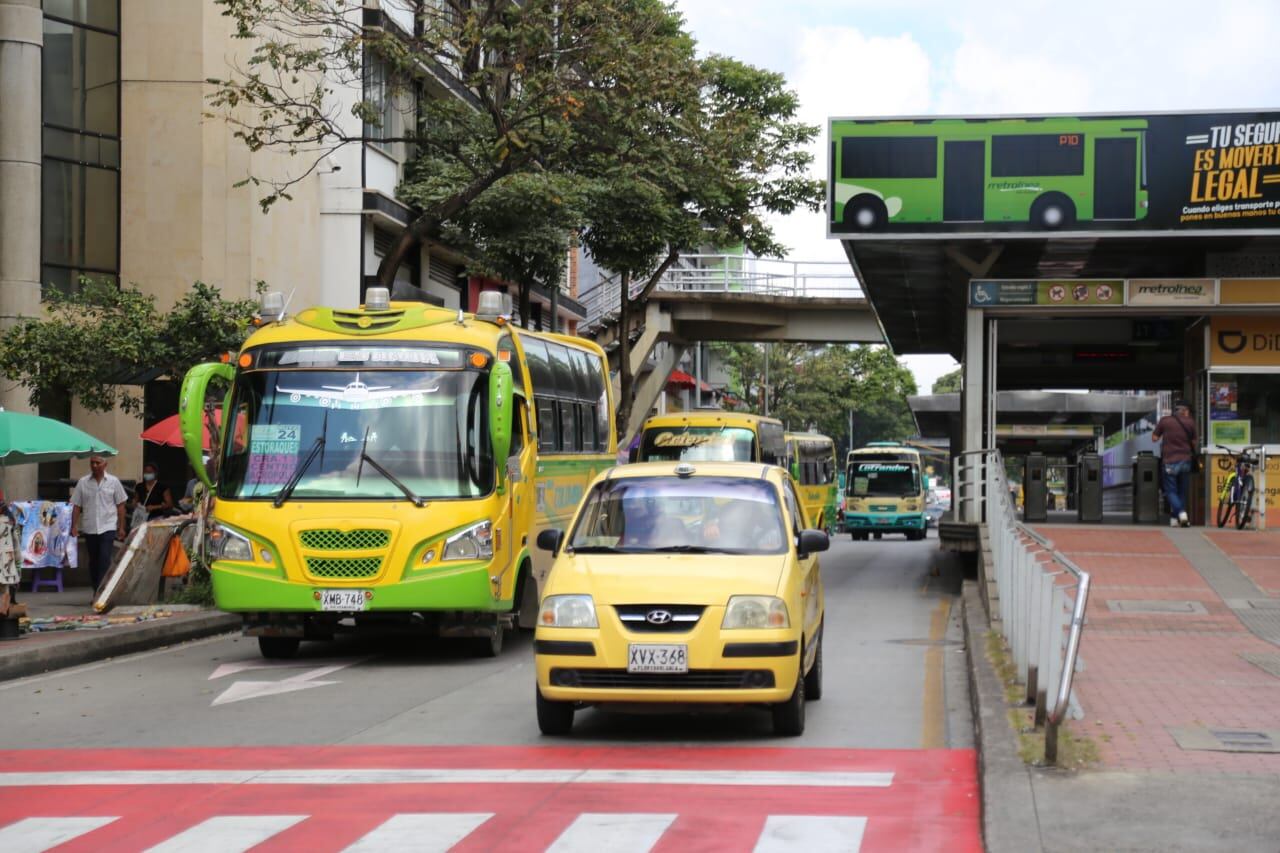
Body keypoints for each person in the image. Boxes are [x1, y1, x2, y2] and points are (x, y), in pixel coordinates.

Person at [70, 455, 128, 591]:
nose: (94, 465)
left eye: (98, 463)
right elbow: (77, 506)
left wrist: (121, 527)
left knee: (104, 559)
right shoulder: (83, 482)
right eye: (92, 463)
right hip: (90, 527)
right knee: (94, 562)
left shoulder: (114, 482)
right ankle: (96, 590)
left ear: (105, 464)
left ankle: (103, 592)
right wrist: (74, 526)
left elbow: (121, 505)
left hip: (108, 526)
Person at [1152, 400, 1198, 528]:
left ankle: (1181, 513)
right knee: (1182, 491)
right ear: (1184, 411)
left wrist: (1166, 436)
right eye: (1188, 411)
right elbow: (1194, 442)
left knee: (1170, 490)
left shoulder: (1165, 421)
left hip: (1169, 461)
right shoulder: (1191, 422)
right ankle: (1174, 519)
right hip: (1185, 461)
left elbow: (1154, 438)